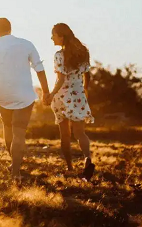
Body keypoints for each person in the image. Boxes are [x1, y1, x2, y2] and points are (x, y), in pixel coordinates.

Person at [0, 18, 50, 181]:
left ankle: (14, 165)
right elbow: (39, 69)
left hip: (3, 96)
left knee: (7, 129)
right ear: (10, 29)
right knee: (19, 133)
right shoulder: (27, 44)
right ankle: (15, 173)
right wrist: (46, 92)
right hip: (24, 95)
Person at [45, 23, 95, 180]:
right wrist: (84, 91)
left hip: (62, 97)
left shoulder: (59, 55)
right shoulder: (83, 53)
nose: (51, 38)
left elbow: (60, 79)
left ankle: (70, 168)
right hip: (78, 96)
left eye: (53, 34)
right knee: (80, 133)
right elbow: (87, 75)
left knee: (65, 135)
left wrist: (51, 94)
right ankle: (87, 159)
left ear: (61, 36)